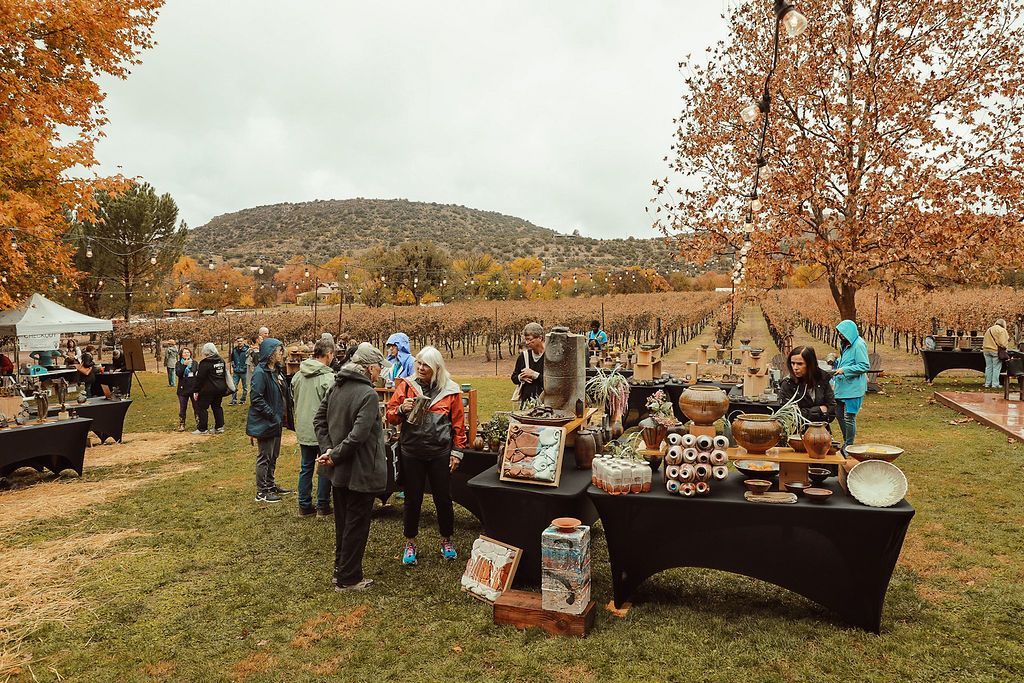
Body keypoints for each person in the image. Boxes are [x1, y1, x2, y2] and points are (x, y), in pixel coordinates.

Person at [314, 342, 388, 591]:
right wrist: (333, 454)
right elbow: (358, 436)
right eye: (378, 368)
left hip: (339, 471)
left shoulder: (337, 386)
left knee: (343, 522)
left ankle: (340, 570)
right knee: (356, 524)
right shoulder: (367, 395)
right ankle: (350, 578)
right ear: (368, 369)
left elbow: (319, 420)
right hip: (361, 470)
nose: (380, 373)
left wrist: (329, 450)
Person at [386, 346, 466, 566]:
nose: (421, 368)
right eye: (419, 363)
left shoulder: (450, 390)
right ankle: (410, 542)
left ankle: (446, 540)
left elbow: (459, 424)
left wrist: (457, 452)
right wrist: (401, 408)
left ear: (436, 368)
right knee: (413, 499)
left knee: (443, 498)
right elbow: (391, 417)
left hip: (439, 452)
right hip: (411, 451)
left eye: (426, 365)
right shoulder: (406, 386)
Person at [247, 337, 294, 503]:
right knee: (264, 456)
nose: (281, 353)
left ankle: (270, 484)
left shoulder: (276, 370)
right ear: (270, 353)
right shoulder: (261, 373)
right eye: (278, 350)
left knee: (273, 455)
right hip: (266, 421)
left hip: (277, 421)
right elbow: (256, 398)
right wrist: (272, 414)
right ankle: (262, 491)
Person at [292, 339, 335, 517]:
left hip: (303, 427)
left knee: (306, 466)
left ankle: (304, 505)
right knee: (324, 467)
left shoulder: (297, 376)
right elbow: (333, 407)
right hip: (322, 430)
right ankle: (323, 506)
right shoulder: (328, 378)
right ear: (329, 354)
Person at [832, 320, 870, 451]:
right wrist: (837, 362)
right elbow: (848, 360)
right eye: (839, 333)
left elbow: (864, 365)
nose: (841, 335)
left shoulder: (858, 345)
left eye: (843, 333)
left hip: (853, 388)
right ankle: (846, 441)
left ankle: (849, 444)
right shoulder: (845, 344)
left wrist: (845, 370)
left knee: (849, 417)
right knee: (839, 414)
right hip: (842, 387)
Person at [777, 346, 836, 425]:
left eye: (799, 364)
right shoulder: (788, 384)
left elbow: (832, 411)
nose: (795, 367)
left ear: (810, 364)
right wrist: (818, 410)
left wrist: (805, 412)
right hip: (796, 433)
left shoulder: (822, 379)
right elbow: (789, 415)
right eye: (792, 363)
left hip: (821, 431)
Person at [193, 343, 228, 435]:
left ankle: (202, 428)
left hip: (208, 389)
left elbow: (200, 378)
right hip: (220, 388)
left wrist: (196, 390)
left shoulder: (205, 363)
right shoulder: (221, 360)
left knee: (202, 407)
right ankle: (219, 427)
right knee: (217, 407)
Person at [511, 322, 545, 407]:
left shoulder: (550, 358)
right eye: (526, 339)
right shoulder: (523, 356)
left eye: (530, 339)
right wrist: (521, 377)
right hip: (526, 404)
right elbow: (514, 377)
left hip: (545, 405)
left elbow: (554, 383)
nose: (527, 343)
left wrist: (534, 374)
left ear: (540, 338)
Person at [175, 347, 199, 432]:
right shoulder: (178, 363)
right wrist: (184, 365)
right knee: (182, 407)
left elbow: (196, 373)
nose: (186, 354)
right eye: (184, 353)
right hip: (182, 389)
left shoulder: (195, 363)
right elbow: (179, 374)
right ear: (181, 354)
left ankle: (199, 423)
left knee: (196, 407)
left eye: (188, 352)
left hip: (193, 388)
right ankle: (182, 424)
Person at [982, 319, 1010, 389]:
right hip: (995, 350)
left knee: (988, 367)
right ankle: (995, 384)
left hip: (986, 350)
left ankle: (987, 383)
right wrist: (1005, 348)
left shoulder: (989, 329)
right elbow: (1003, 343)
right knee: (996, 368)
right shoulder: (1002, 330)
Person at [229, 337, 249, 405]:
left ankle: (243, 400)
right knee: (233, 386)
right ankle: (233, 400)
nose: (239, 342)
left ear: (243, 341)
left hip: (244, 372)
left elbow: (249, 359)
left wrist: (245, 367)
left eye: (241, 341)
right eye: (238, 341)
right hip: (236, 371)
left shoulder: (247, 350)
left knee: (245, 387)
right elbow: (231, 359)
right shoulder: (234, 350)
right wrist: (233, 366)